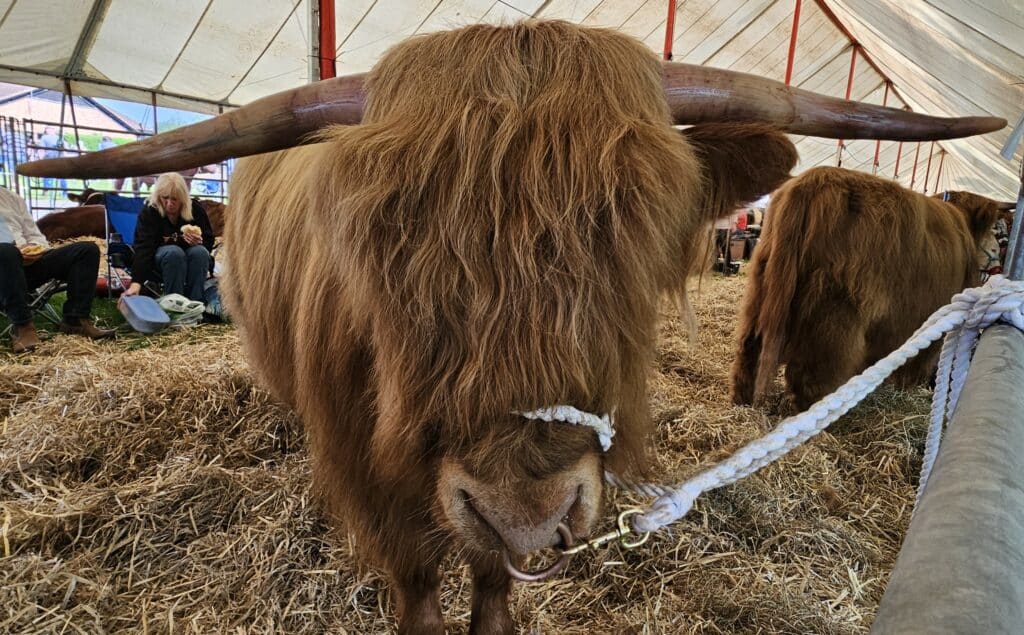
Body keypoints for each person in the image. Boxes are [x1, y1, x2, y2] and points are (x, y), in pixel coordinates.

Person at [0, 186, 114, 353]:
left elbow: (34, 235)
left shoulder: (10, 197)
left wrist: (35, 248)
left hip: (27, 266)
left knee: (86, 250)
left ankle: (75, 320)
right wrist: (12, 252)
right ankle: (22, 326)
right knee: (5, 251)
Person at [121, 173, 214, 302]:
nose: (169, 203)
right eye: (165, 198)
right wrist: (136, 282)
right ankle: (175, 304)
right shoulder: (149, 212)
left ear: (183, 198)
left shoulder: (195, 209)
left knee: (200, 252)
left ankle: (196, 305)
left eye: (175, 199)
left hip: (191, 257)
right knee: (174, 253)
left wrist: (199, 243)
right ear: (158, 196)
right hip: (159, 260)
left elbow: (209, 240)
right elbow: (144, 248)